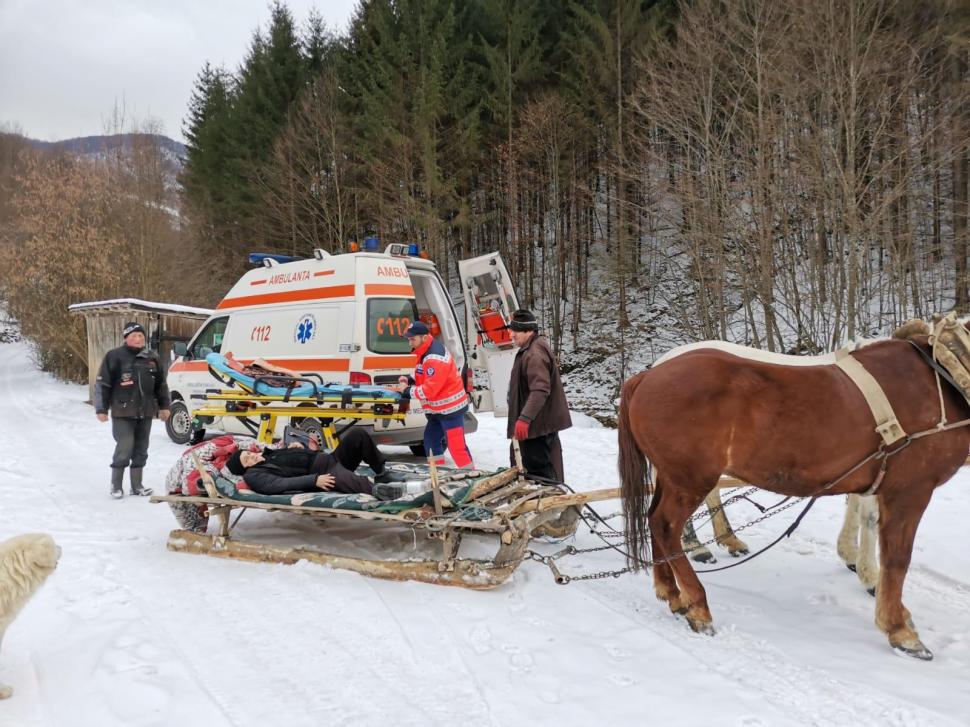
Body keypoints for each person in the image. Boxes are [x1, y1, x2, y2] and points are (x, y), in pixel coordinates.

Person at [95, 321, 171, 499]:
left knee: (142, 448)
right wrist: (102, 408)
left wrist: (164, 406)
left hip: (145, 411)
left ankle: (137, 486)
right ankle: (116, 485)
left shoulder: (152, 357)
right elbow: (103, 384)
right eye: (134, 336)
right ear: (126, 338)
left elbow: (161, 384)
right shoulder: (114, 356)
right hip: (123, 411)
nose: (138, 339)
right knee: (125, 446)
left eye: (141, 336)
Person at [225, 427, 406, 499]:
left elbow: (295, 458)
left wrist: (298, 446)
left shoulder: (268, 454)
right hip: (323, 474)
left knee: (358, 434)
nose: (252, 456)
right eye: (247, 459)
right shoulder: (254, 475)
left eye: (248, 453)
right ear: (245, 468)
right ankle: (389, 492)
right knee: (355, 483)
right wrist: (314, 480)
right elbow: (278, 484)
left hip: (332, 458)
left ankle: (382, 472)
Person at [392, 321, 474, 469]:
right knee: (430, 442)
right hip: (438, 410)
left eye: (412, 339)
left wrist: (406, 390)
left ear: (424, 337)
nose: (410, 342)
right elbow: (422, 372)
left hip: (450, 410)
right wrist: (410, 379)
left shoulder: (434, 356)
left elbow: (429, 390)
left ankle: (473, 478)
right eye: (408, 339)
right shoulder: (425, 350)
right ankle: (438, 474)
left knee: (457, 448)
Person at [507, 309, 571, 482]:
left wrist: (525, 418)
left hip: (537, 428)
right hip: (536, 426)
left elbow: (540, 389)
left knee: (540, 473)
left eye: (516, 330)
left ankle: (548, 502)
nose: (511, 334)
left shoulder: (534, 354)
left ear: (529, 331)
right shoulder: (530, 348)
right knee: (530, 467)